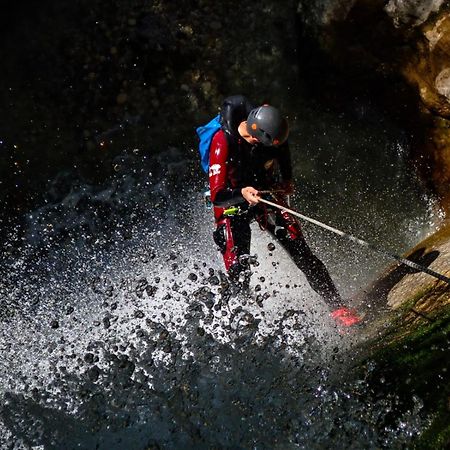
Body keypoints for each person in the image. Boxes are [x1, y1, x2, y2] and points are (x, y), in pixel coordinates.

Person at [207, 95, 360, 327]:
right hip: (232, 201)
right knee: (239, 265)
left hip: (264, 192)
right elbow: (217, 196)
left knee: (299, 247)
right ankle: (240, 323)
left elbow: (283, 151)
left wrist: (287, 179)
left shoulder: (271, 135)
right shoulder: (222, 141)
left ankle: (338, 308)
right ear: (257, 137)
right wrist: (242, 194)